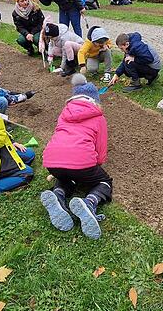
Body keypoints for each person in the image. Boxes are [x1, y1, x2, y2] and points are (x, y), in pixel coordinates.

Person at [40, 73, 110, 239]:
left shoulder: (64, 113)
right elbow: (100, 150)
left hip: (52, 162)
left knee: (66, 176)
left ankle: (58, 194)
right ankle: (90, 202)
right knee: (104, 181)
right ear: (95, 101)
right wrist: (96, 164)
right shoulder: (98, 117)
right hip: (82, 163)